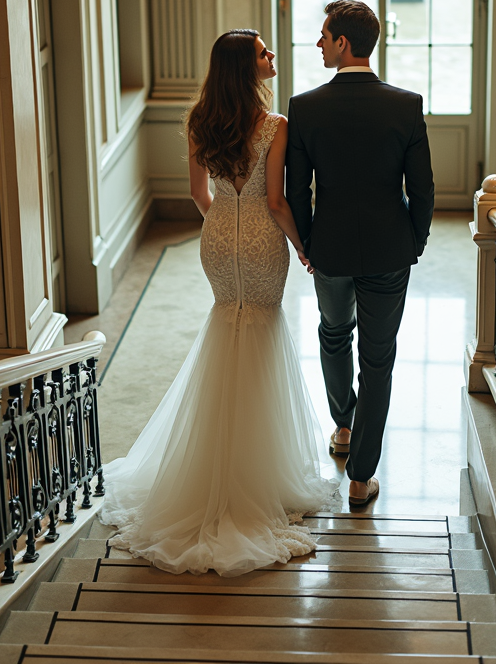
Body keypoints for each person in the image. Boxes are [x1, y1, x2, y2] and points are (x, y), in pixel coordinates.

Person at [99, 29, 339, 576]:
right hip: (260, 241)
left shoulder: (199, 119)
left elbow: (197, 193)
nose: (272, 55)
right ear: (245, 68)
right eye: (262, 52)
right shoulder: (275, 126)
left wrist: (220, 228)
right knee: (261, 332)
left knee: (224, 328)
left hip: (218, 241)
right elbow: (277, 202)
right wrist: (305, 250)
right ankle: (256, 475)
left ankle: (211, 468)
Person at [286, 0, 434, 507]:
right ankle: (359, 478)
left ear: (344, 43)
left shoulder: (304, 107)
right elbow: (424, 188)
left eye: (324, 35)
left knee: (333, 333)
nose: (319, 43)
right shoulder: (406, 103)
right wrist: (414, 242)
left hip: (328, 250)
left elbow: (296, 191)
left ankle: (343, 427)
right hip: (390, 250)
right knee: (378, 360)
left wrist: (306, 244)